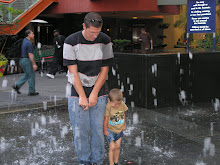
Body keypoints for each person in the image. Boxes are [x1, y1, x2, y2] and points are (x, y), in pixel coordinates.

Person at [63, 12, 114, 165]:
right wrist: (82, 96)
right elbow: (73, 72)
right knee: (80, 131)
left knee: (98, 130)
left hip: (98, 87)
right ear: (84, 26)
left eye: (97, 32)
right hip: (76, 87)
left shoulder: (105, 41)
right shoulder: (70, 41)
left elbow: (104, 71)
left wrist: (93, 94)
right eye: (91, 32)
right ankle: (84, 161)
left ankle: (97, 161)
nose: (94, 36)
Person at [103, 88, 128, 165]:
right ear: (109, 100)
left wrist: (123, 125)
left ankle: (116, 161)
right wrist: (105, 130)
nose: (117, 106)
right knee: (112, 147)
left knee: (117, 146)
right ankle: (111, 163)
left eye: (119, 103)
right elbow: (106, 119)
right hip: (110, 130)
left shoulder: (122, 104)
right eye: (115, 104)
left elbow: (123, 114)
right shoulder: (108, 107)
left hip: (119, 130)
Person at [12, 29, 39, 96]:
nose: (33, 35)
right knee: (31, 76)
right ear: (28, 35)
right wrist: (34, 64)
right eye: (32, 34)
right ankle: (31, 91)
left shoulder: (24, 41)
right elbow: (30, 54)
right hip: (27, 60)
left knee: (27, 74)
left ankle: (17, 86)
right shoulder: (29, 43)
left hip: (22, 60)